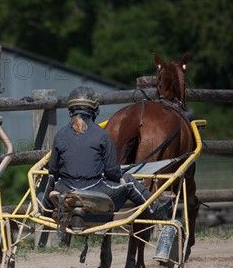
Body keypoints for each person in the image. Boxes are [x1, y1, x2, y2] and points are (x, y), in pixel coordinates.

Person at [47, 86, 171, 218]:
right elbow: (112, 172)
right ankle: (158, 210)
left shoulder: (60, 135)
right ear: (95, 109)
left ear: (70, 110)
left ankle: (45, 211)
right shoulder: (102, 135)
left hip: (66, 190)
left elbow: (53, 170)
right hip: (95, 191)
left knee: (52, 181)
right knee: (128, 181)